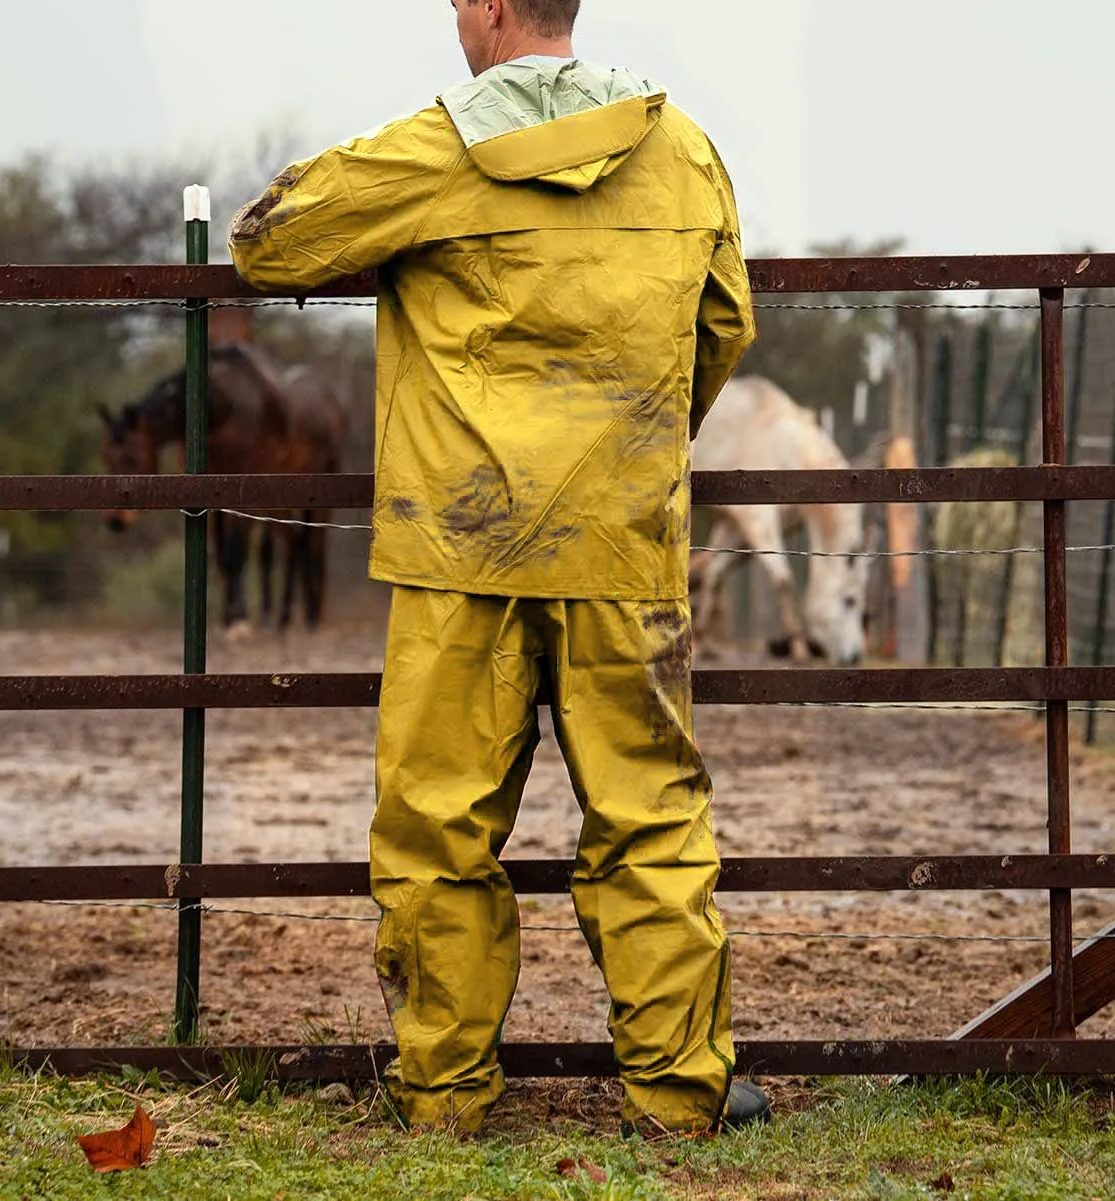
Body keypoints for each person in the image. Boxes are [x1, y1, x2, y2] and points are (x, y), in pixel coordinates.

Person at [229, 0, 767, 1137]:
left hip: (459, 552)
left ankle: (447, 1098)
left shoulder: (436, 148)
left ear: (481, 7)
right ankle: (678, 1097)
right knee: (652, 818)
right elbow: (721, 329)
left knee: (438, 827)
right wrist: (631, 452)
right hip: (625, 543)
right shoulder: (684, 152)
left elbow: (267, 237)